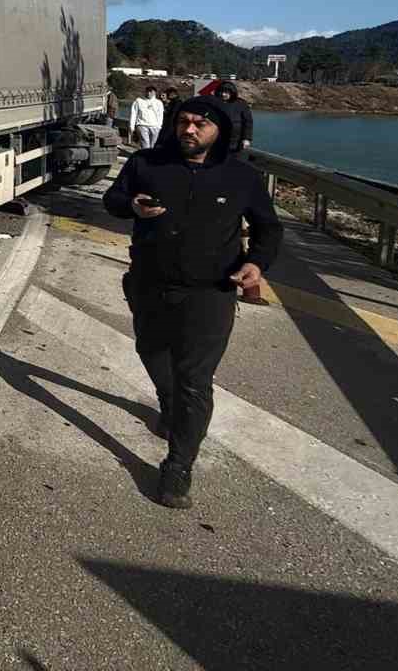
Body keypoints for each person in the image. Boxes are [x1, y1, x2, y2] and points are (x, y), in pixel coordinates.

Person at [103, 96, 282, 509]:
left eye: (200, 123)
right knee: (150, 349)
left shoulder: (241, 177)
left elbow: (268, 229)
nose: (190, 129)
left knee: (194, 379)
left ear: (219, 130)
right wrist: (131, 206)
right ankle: (167, 404)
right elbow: (112, 201)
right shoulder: (147, 163)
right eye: (184, 121)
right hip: (149, 283)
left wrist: (256, 263)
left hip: (210, 293)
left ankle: (178, 465)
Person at [213, 80, 254, 159]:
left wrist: (246, 139)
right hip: (217, 143)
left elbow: (248, 122)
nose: (223, 94)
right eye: (221, 92)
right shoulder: (214, 103)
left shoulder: (241, 104)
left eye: (226, 92)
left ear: (232, 92)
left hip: (236, 144)